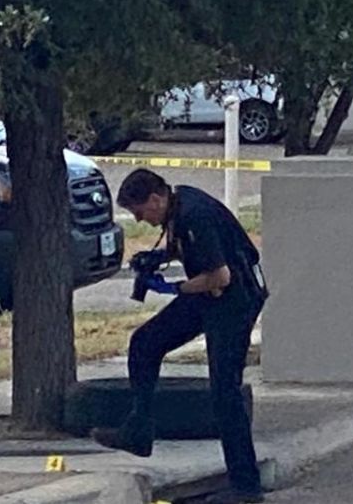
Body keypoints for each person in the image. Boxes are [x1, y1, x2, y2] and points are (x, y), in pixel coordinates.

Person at [92, 169, 268, 504]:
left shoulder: (195, 214)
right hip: (209, 295)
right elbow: (186, 248)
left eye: (141, 212)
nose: (141, 220)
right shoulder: (178, 205)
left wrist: (172, 287)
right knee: (145, 343)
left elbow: (220, 276)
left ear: (156, 198)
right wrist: (157, 258)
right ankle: (139, 430)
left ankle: (246, 487)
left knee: (224, 391)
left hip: (235, 300)